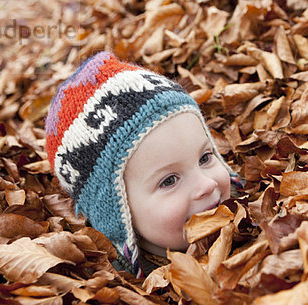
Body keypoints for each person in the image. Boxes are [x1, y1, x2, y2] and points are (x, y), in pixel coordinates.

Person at [45, 51, 241, 277]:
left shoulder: (258, 220)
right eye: (169, 180)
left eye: (205, 158)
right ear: (115, 213)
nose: (206, 184)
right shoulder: (122, 291)